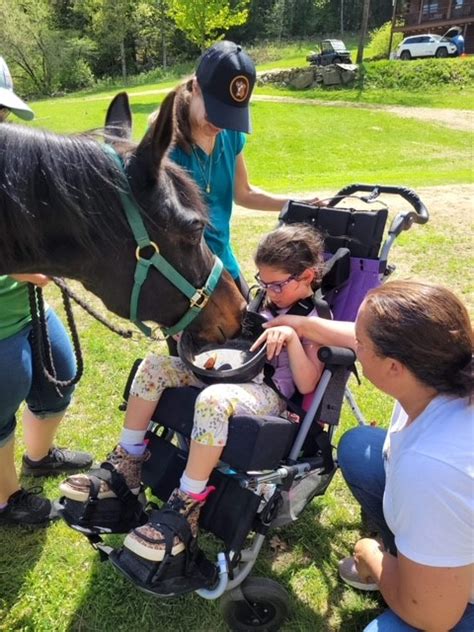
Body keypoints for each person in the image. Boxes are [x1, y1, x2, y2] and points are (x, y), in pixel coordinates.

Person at [60, 223, 326, 560]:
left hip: (269, 394)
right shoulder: (261, 300)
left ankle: (187, 506)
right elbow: (237, 342)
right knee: (155, 368)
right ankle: (126, 465)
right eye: (263, 282)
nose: (268, 291)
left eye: (278, 285)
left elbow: (307, 384)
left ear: (307, 276)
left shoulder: (316, 316)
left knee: (212, 401)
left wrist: (290, 337)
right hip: (233, 376)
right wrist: (210, 351)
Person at [264, 280, 473, 631]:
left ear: (394, 366)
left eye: (361, 344)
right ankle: (420, 558)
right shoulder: (441, 370)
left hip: (453, 601)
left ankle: (422, 572)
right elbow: (350, 334)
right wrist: (297, 324)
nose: (354, 346)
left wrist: (370, 555)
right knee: (360, 447)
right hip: (451, 517)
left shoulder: (432, 467)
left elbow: (433, 618)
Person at [0, 57, 92, 527]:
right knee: (4, 389)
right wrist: (17, 272)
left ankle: (39, 457)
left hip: (26, 310)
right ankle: (5, 499)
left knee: (62, 368)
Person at [151, 40, 319, 294]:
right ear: (196, 87)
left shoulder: (229, 135)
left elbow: (244, 193)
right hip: (186, 276)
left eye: (229, 115)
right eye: (216, 112)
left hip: (223, 263)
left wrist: (298, 203)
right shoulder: (164, 145)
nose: (220, 124)